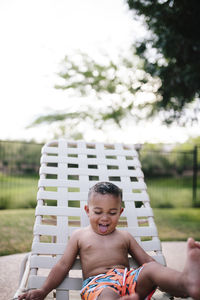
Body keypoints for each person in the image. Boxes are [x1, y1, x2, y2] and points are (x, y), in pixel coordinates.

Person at [18, 181, 200, 300]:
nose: (105, 218)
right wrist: (43, 291)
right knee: (107, 294)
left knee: (152, 269)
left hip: (129, 280)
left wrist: (170, 284)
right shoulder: (79, 236)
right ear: (87, 210)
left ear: (120, 213)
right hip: (98, 284)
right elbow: (62, 265)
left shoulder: (124, 236)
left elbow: (148, 262)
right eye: (98, 212)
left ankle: (185, 283)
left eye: (112, 213)